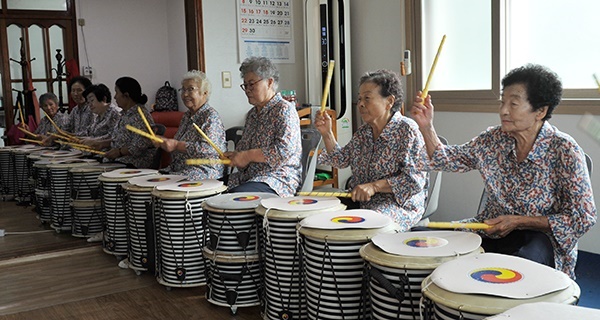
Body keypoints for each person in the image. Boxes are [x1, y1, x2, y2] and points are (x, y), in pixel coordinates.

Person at [411, 64, 597, 279]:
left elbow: (583, 217)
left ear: (541, 111)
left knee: (518, 271)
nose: (503, 111)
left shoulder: (564, 150)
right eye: (502, 102)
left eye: (514, 104)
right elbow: (447, 159)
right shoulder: (494, 138)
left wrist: (518, 221)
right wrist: (426, 126)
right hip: (489, 230)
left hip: (539, 239)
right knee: (421, 241)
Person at [314, 69, 428, 231]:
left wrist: (374, 186)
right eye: (360, 98)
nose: (360, 104)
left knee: (366, 225)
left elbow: (414, 181)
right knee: (319, 213)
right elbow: (341, 160)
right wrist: (327, 133)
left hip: (398, 205)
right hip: (362, 201)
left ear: (389, 101)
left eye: (367, 98)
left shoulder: (407, 130)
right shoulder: (364, 132)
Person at [225, 56, 302, 196]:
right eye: (245, 85)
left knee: (233, 199)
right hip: (249, 178)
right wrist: (236, 156)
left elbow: (283, 152)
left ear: (269, 82)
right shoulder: (251, 115)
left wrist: (248, 156)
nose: (247, 90)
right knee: (212, 193)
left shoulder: (284, 110)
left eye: (252, 84)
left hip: (277, 179)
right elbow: (244, 147)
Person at [156, 70, 226, 180]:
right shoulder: (187, 116)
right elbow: (177, 142)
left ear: (205, 93)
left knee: (163, 183)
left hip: (203, 170)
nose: (185, 94)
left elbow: (208, 149)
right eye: (183, 90)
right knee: (151, 179)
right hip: (180, 168)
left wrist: (177, 145)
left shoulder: (210, 116)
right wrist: (163, 142)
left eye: (190, 89)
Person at [90, 77, 155, 168]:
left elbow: (140, 145)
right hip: (119, 159)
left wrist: (119, 151)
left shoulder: (140, 115)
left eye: (117, 92)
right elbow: (118, 138)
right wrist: (102, 143)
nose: (115, 97)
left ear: (126, 95)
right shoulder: (125, 114)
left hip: (133, 162)